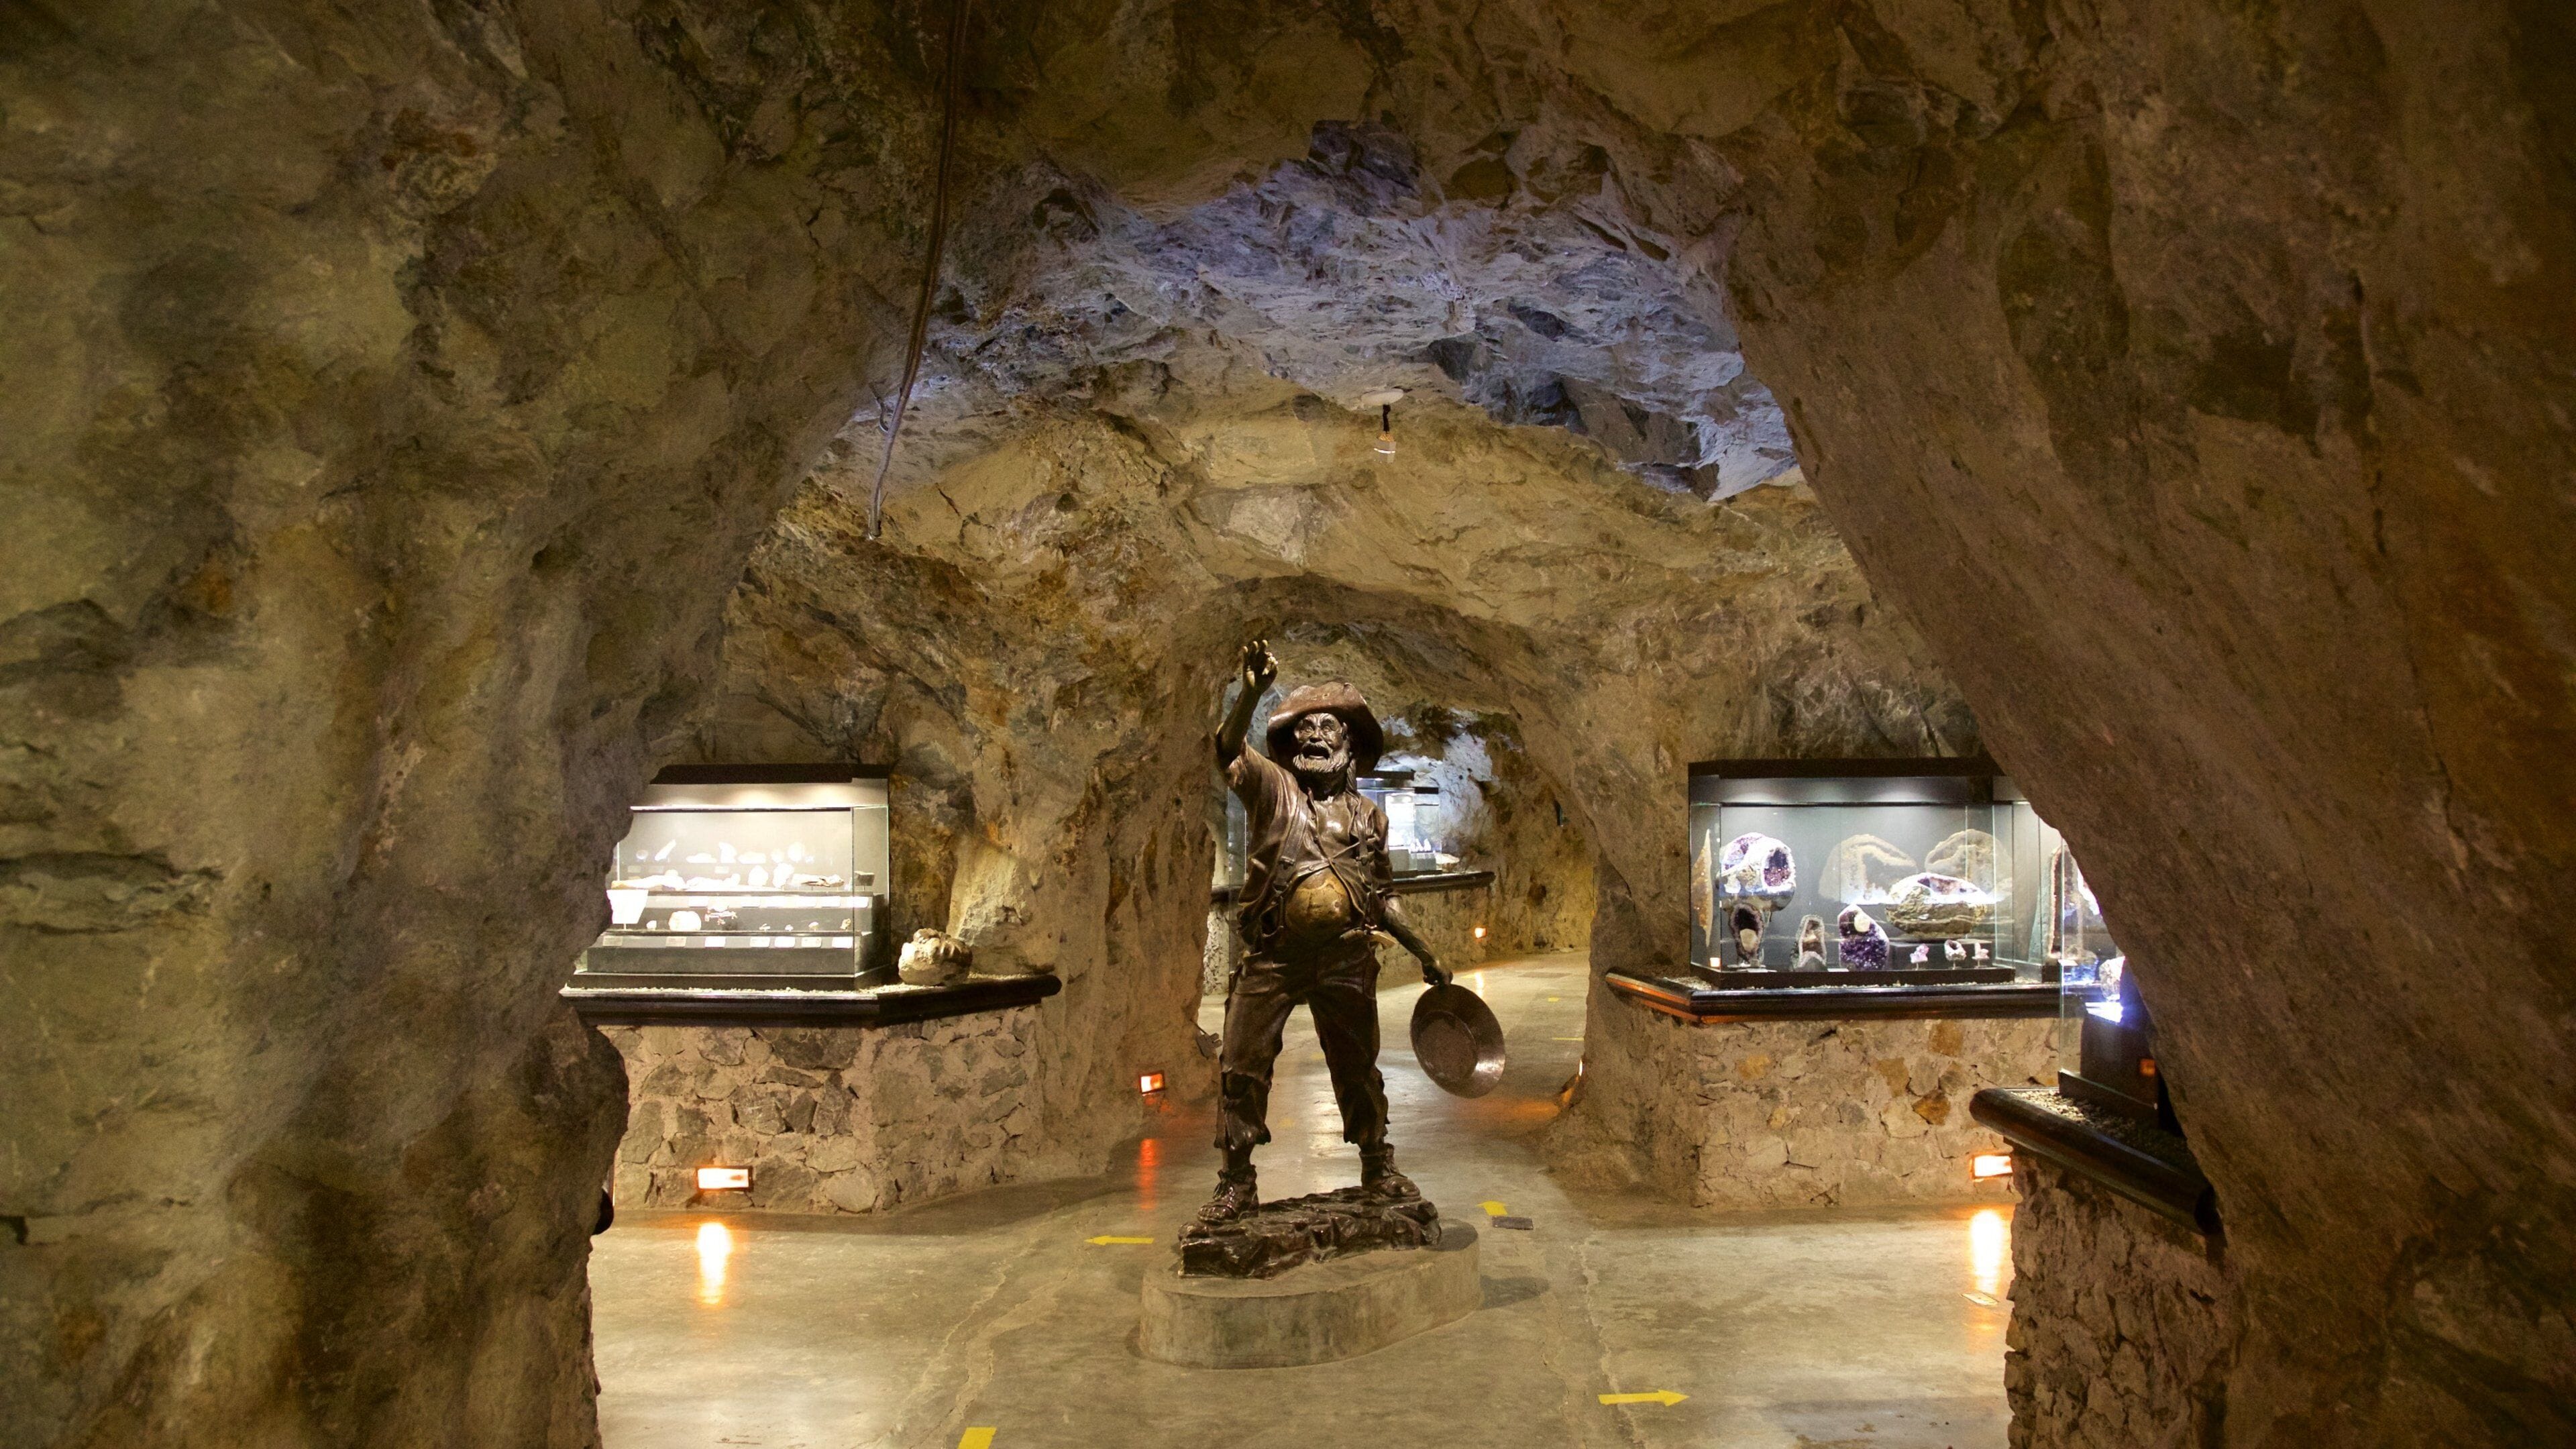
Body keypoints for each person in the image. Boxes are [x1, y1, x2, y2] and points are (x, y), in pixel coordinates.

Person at [1202, 639, 1449, 1223]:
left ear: (1348, 743)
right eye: (1305, 728)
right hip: (1274, 957)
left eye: (1328, 728)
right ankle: (1236, 1179)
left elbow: (1384, 897)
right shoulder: (1272, 790)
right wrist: (1252, 695)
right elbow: (1226, 749)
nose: (1315, 736)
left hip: (1345, 959)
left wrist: (1426, 953)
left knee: (1358, 1066)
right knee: (1241, 1064)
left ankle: (1376, 1162)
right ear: (1290, 744)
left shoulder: (1370, 818)